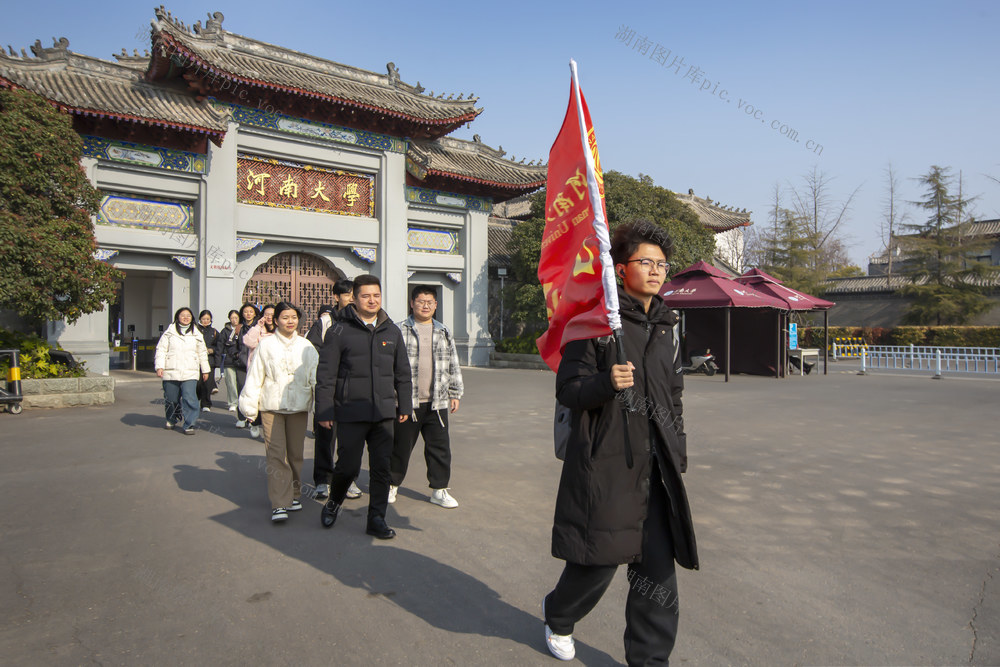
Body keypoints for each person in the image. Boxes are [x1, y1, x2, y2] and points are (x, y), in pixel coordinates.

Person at [541, 221, 698, 664]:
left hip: (656, 468)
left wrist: (677, 448)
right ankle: (559, 614)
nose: (655, 271)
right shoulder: (593, 323)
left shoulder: (668, 325)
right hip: (608, 463)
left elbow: (674, 395)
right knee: (599, 562)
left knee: (657, 575)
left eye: (662, 264)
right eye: (645, 262)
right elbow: (569, 391)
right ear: (619, 268)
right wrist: (606, 382)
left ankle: (650, 660)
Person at [315, 274, 412, 539]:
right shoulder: (338, 330)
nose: (372, 300)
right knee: (347, 466)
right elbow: (326, 374)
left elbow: (402, 372)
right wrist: (324, 409)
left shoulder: (391, 331)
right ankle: (334, 502)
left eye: (376, 295)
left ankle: (376, 519)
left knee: (381, 468)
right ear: (354, 299)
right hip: (351, 410)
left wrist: (405, 403)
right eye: (366, 296)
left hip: (383, 413)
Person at [239, 302, 319, 523]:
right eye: (285, 317)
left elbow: (315, 378)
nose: (290, 321)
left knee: (295, 454)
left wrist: (321, 406)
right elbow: (255, 376)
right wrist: (249, 406)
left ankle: (294, 494)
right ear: (276, 321)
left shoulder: (307, 346)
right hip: (271, 407)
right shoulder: (266, 346)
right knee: (276, 454)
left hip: (298, 407)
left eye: (293, 317)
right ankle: (279, 502)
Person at [389, 285, 464, 509]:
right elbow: (389, 366)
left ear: (436, 305)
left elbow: (453, 363)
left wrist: (454, 393)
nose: (425, 305)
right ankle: (391, 484)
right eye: (421, 301)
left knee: (439, 448)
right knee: (400, 446)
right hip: (406, 402)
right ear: (412, 303)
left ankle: (439, 490)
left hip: (437, 402)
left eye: (430, 302)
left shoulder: (443, 331)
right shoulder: (397, 330)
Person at [154, 307, 210, 435]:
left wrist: (205, 370)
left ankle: (189, 424)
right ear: (177, 317)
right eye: (183, 315)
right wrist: (159, 367)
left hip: (190, 371)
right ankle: (171, 418)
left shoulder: (197, 334)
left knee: (190, 398)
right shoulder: (169, 333)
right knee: (171, 399)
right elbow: (161, 350)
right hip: (171, 370)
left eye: (188, 316)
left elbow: (202, 353)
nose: (186, 318)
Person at [242, 303, 275, 439]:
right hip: (257, 370)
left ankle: (270, 430)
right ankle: (254, 422)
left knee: (270, 401)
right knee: (257, 398)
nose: (269, 317)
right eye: (266, 314)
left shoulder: (280, 330)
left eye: (272, 315)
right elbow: (248, 342)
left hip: (273, 372)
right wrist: (258, 326)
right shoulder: (258, 329)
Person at [233, 303, 259, 429]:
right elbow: (232, 343)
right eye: (245, 312)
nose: (248, 314)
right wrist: (236, 354)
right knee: (242, 390)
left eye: (250, 311)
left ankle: (252, 418)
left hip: (255, 364)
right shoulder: (239, 327)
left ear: (255, 313)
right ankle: (241, 417)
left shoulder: (259, 326)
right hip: (241, 364)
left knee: (254, 390)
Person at [195, 310, 220, 412]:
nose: (205, 321)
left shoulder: (214, 332)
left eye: (207, 319)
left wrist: (212, 350)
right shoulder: (195, 330)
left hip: (210, 361)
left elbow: (219, 346)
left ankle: (206, 404)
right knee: (198, 383)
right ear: (200, 319)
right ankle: (197, 399)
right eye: (203, 319)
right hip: (197, 361)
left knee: (207, 383)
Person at [220, 309, 242, 412]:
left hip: (241, 360)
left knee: (241, 382)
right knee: (231, 382)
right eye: (232, 318)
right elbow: (220, 345)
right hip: (229, 360)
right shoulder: (225, 331)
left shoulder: (243, 329)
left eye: (236, 318)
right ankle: (233, 402)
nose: (234, 320)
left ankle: (241, 401)